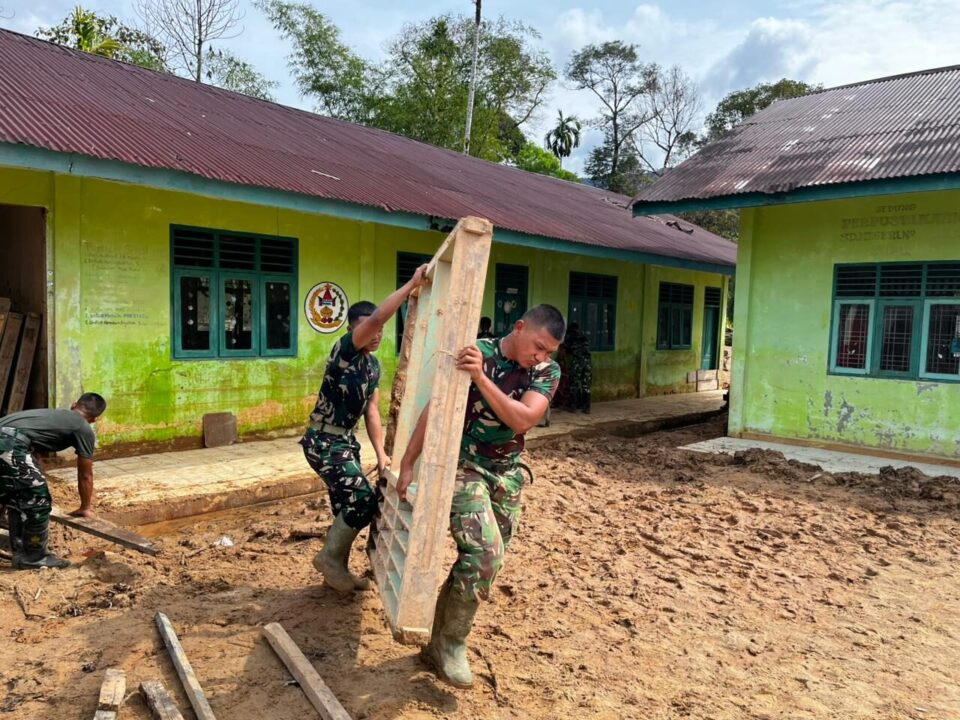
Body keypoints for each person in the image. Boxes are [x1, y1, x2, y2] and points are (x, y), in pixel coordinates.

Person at [397, 304, 564, 688]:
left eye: (548, 351)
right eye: (537, 346)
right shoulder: (477, 353)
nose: (540, 356)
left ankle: (436, 644)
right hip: (463, 467)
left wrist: (481, 380)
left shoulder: (545, 372)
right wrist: (408, 462)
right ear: (520, 327)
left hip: (506, 476)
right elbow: (434, 409)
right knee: (485, 553)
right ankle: (453, 643)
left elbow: (523, 418)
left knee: (486, 561)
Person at [302, 265, 429, 592]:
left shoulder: (373, 366)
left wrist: (381, 454)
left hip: (344, 443)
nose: (376, 335)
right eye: (370, 330)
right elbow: (377, 319)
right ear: (353, 330)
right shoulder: (344, 350)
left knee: (346, 506)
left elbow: (372, 411)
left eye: (381, 333)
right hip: (322, 440)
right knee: (361, 500)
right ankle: (330, 561)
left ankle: (335, 568)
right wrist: (411, 285)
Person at [0, 393, 107, 570]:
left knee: (17, 496)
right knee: (38, 502)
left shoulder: (50, 416)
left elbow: (34, 456)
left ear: (74, 405)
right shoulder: (83, 428)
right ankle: (34, 557)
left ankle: (20, 550)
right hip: (9, 443)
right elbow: (85, 474)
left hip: (7, 441)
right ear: (95, 419)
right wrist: (85, 507)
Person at [563, 323, 593, 413]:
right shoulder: (584, 337)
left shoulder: (571, 337)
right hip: (587, 362)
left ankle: (573, 406)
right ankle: (586, 407)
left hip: (577, 362)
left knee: (574, 384)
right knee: (586, 385)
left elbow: (567, 349)